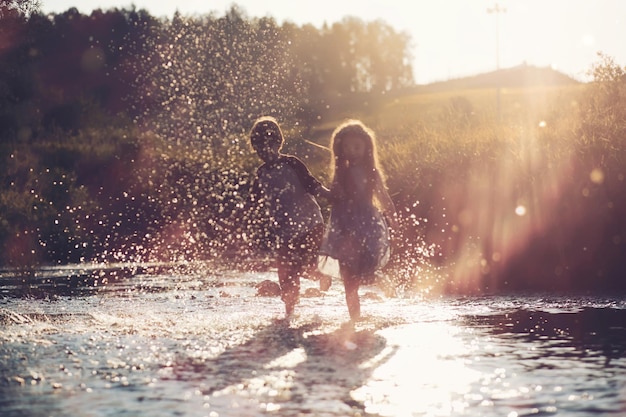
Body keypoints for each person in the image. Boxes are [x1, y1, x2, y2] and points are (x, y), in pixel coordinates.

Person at [247, 116, 331, 318]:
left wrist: (333, 196)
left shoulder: (291, 163)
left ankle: (323, 274)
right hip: (285, 231)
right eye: (259, 149)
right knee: (286, 272)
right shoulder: (261, 173)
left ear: (278, 143)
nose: (264, 152)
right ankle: (289, 314)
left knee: (307, 264)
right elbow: (254, 202)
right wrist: (245, 220)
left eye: (267, 146)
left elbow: (313, 185)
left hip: (310, 223)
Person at [320, 119, 397, 321]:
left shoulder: (372, 172)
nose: (352, 151)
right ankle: (355, 319)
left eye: (356, 147)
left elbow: (383, 197)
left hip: (366, 227)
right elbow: (335, 197)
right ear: (340, 149)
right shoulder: (340, 172)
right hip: (344, 228)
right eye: (346, 147)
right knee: (349, 278)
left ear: (366, 147)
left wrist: (393, 218)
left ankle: (380, 280)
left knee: (366, 270)